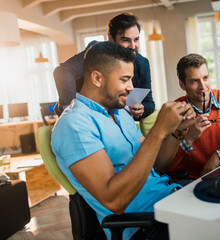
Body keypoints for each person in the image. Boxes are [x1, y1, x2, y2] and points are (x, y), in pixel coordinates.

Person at [51, 42, 195, 240]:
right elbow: (114, 201)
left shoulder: (120, 113)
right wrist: (158, 130)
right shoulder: (74, 125)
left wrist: (176, 132)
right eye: (125, 80)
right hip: (145, 226)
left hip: (169, 198)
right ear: (97, 78)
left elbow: (157, 166)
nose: (131, 88)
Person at [53, 13, 154, 120]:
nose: (133, 46)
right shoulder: (96, 52)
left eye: (136, 39)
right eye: (126, 40)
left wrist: (142, 109)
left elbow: (149, 103)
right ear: (111, 38)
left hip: (116, 119)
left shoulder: (142, 63)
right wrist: (73, 111)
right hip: (85, 117)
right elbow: (62, 72)